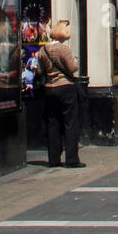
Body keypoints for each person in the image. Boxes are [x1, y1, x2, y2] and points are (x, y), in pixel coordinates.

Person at [38, 20, 84, 168]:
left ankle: (53, 159)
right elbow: (72, 68)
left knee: (53, 123)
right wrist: (76, 61)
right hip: (65, 88)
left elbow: (39, 71)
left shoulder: (43, 50)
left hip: (49, 88)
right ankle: (71, 159)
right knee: (70, 123)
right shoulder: (63, 49)